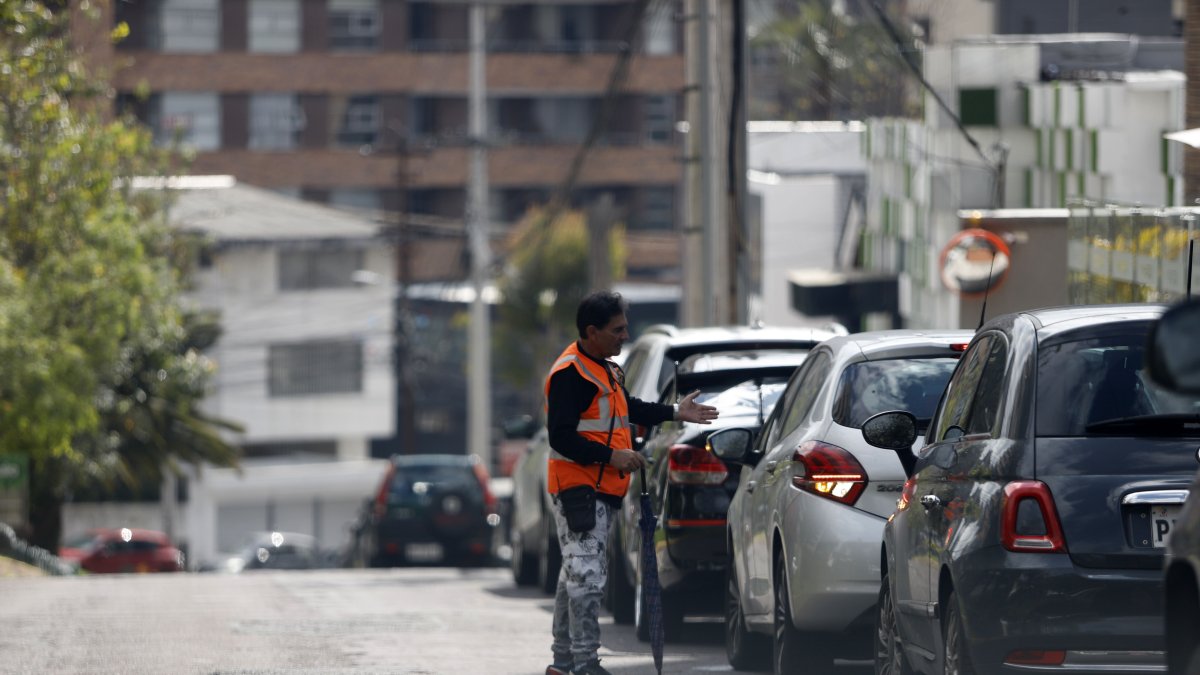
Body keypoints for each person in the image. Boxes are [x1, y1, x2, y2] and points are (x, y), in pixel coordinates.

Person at [543, 290, 719, 675]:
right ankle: (586, 664)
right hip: (578, 489)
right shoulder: (570, 374)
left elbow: (629, 408)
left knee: (574, 573)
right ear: (592, 331)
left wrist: (675, 411)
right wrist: (613, 456)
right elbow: (560, 436)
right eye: (617, 329)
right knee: (587, 578)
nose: (626, 335)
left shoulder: (605, 367)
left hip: (601, 488)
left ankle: (562, 662)